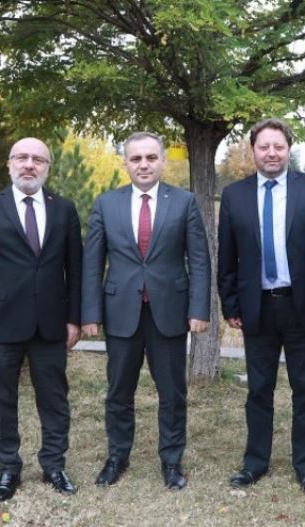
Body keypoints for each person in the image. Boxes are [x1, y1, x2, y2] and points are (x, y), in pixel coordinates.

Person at [218, 118, 305, 495]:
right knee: (259, 389)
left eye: (278, 146)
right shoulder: (234, 195)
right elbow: (227, 256)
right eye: (264, 147)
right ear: (253, 151)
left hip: (303, 306)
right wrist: (230, 304)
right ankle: (255, 462)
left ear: (289, 149)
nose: (271, 153)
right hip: (257, 308)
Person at [82, 132, 211, 491]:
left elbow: (199, 259)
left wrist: (199, 309)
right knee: (118, 392)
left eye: (151, 158)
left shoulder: (184, 202)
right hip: (120, 312)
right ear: (125, 162)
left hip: (169, 313)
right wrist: (90, 313)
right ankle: (117, 457)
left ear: (162, 161)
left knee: (172, 394)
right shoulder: (106, 203)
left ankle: (171, 460)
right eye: (136, 158)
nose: (143, 165)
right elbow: (92, 262)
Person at [0, 137, 82, 501]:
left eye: (38, 159)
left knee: (55, 400)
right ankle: (8, 469)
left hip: (51, 325)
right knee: (1, 402)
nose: (29, 164)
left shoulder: (64, 209)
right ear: (10, 163)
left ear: (47, 167)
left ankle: (54, 465)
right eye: (22, 157)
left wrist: (74, 319)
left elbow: (75, 271)